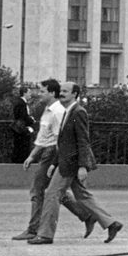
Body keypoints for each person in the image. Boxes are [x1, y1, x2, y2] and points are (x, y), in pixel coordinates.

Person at [29, 81, 123, 245]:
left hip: (71, 164)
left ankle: (45, 235)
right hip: (66, 161)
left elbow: (82, 141)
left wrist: (82, 166)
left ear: (75, 94)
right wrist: (54, 163)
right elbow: (64, 142)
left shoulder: (79, 112)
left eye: (65, 91)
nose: (62, 93)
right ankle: (111, 223)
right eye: (61, 90)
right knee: (82, 195)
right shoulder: (67, 111)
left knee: (52, 194)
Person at [12, 79, 96, 241]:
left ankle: (34, 229)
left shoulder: (58, 111)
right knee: (56, 192)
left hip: (52, 153)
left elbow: (61, 140)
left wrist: (54, 162)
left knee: (39, 190)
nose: (39, 94)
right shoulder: (50, 109)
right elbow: (43, 136)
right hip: (48, 152)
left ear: (52, 93)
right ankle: (87, 215)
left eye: (42, 91)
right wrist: (33, 155)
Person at [11, 85, 36, 163]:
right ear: (24, 93)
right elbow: (23, 116)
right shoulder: (21, 103)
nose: (30, 94)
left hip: (20, 129)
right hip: (21, 130)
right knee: (22, 147)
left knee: (19, 147)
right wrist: (31, 120)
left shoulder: (20, 102)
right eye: (29, 92)